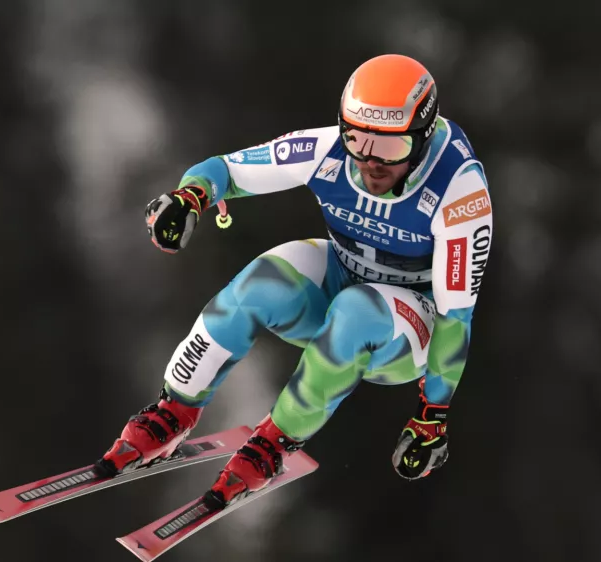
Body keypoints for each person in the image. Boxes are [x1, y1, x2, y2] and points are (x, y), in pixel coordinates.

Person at [94, 53, 493, 507]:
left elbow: (455, 316)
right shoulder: (328, 151)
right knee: (261, 283)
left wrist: (431, 415)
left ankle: (274, 443)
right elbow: (227, 170)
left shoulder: (459, 193)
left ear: (422, 139)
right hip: (343, 277)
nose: (370, 163)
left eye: (390, 149)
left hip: (408, 330)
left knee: (355, 311)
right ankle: (174, 409)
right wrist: (188, 197)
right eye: (357, 140)